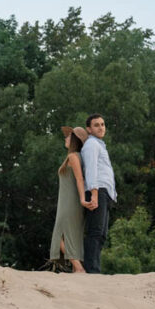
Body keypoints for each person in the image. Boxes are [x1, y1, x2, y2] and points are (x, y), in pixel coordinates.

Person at [49, 125, 92, 272]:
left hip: (70, 202)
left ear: (74, 140)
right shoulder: (76, 156)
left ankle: (79, 268)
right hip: (67, 201)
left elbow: (80, 179)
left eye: (68, 136)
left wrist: (81, 200)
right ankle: (76, 269)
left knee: (60, 236)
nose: (65, 138)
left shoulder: (73, 157)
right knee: (71, 235)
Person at [81, 113, 117, 274]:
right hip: (98, 191)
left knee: (101, 234)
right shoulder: (91, 145)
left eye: (102, 124)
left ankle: (94, 268)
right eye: (96, 125)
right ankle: (91, 271)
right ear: (89, 129)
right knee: (95, 232)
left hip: (105, 193)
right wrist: (94, 194)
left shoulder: (99, 145)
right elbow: (91, 170)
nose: (101, 127)